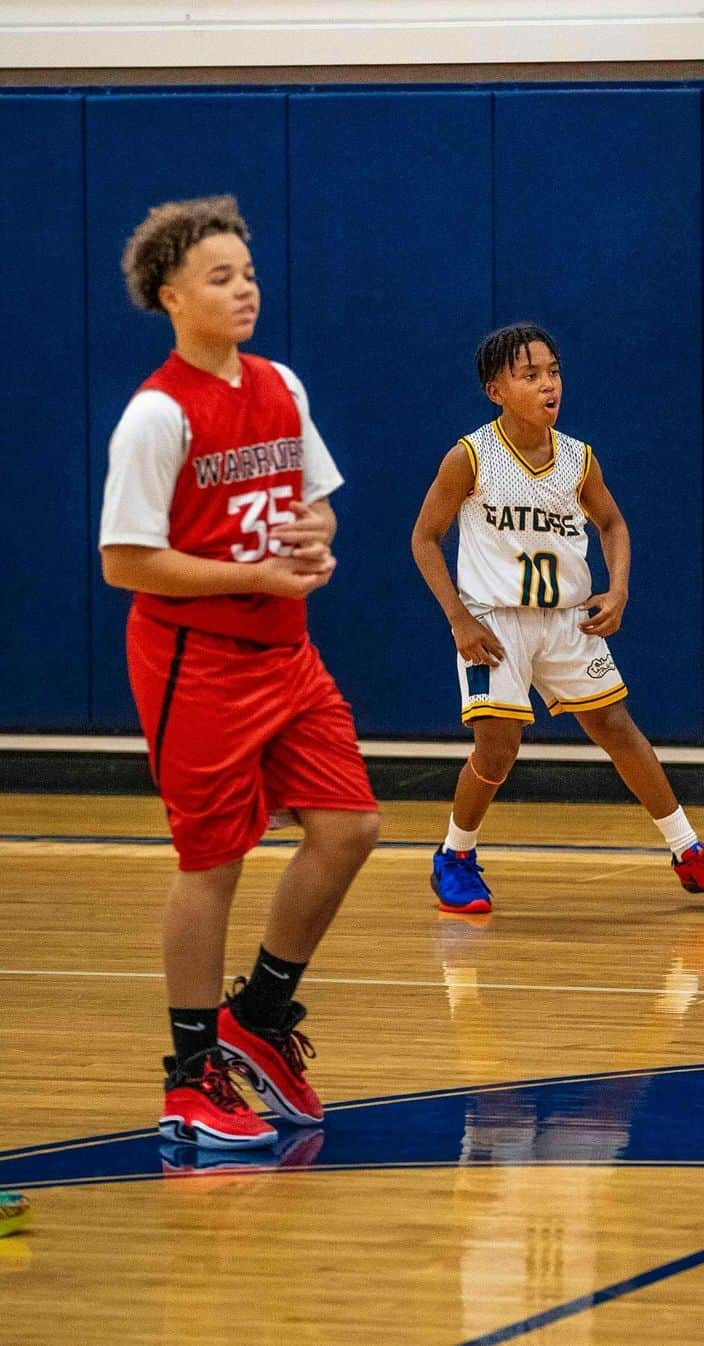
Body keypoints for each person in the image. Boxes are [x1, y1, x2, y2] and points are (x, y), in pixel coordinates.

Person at [100, 196, 380, 1148]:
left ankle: (257, 1016)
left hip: (288, 650)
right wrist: (251, 575)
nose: (244, 289)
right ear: (172, 296)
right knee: (211, 862)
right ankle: (187, 1079)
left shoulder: (281, 386)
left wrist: (314, 541)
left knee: (350, 829)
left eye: (249, 273)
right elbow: (126, 559)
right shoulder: (155, 415)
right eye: (221, 278)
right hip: (196, 661)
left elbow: (317, 506)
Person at [410, 322, 704, 916]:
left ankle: (688, 851)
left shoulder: (578, 458)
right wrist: (458, 620)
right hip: (495, 620)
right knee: (498, 747)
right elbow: (425, 537)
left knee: (618, 728)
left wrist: (617, 589)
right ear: (497, 389)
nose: (549, 384)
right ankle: (456, 855)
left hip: (566, 619)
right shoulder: (469, 457)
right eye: (531, 375)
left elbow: (614, 524)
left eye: (554, 372)